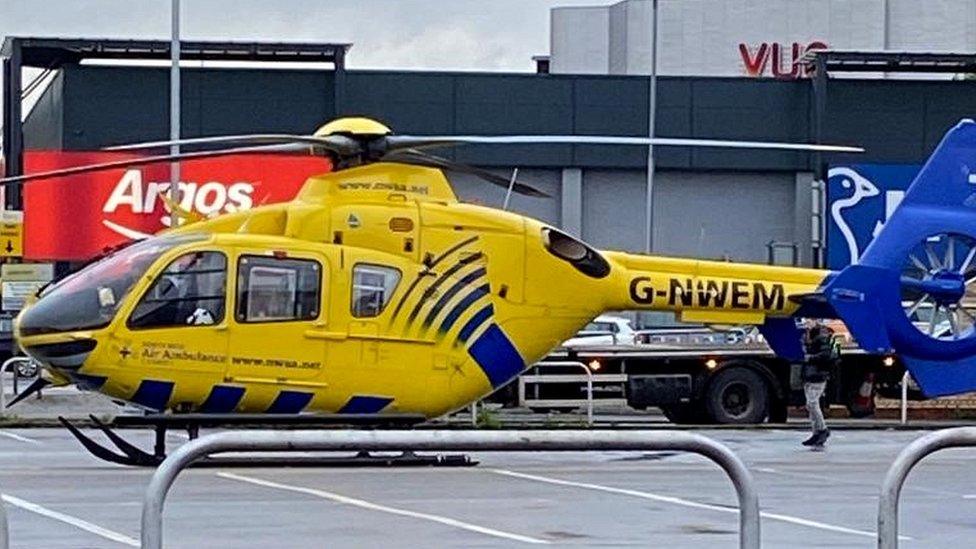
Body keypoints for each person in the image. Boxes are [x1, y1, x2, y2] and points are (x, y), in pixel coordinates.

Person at [801, 320, 839, 447]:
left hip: (818, 374)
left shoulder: (821, 335)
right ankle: (816, 432)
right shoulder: (810, 334)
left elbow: (826, 354)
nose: (806, 321)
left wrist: (810, 358)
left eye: (809, 319)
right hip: (810, 374)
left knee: (812, 403)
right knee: (810, 404)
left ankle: (822, 429)